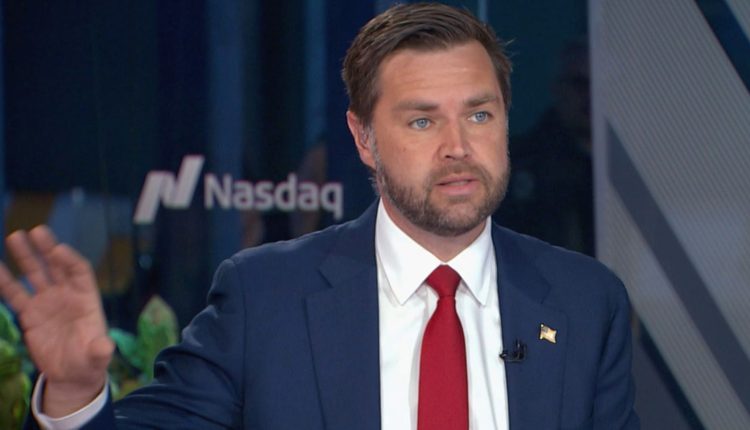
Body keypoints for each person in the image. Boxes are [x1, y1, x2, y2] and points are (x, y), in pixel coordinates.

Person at [0, 3, 638, 429]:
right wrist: (74, 394)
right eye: (422, 121)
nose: (458, 146)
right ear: (363, 139)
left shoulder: (586, 302)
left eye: (479, 114)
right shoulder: (265, 298)